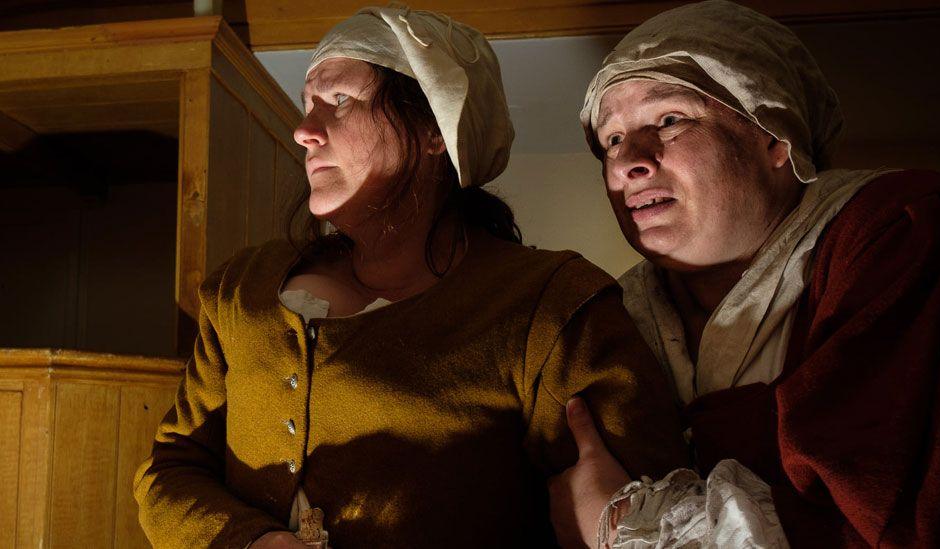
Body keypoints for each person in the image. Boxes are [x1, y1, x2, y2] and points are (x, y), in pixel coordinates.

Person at [133, 6, 687, 548]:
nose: (304, 130)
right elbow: (173, 468)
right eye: (307, 105)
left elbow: (647, 512)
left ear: (434, 130)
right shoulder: (241, 288)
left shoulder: (550, 306)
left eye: (340, 101)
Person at [549, 1, 940, 547]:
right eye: (611, 139)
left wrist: (622, 527)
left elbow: (898, 519)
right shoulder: (614, 315)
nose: (628, 160)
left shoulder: (901, 229)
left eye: (670, 120)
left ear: (775, 137)